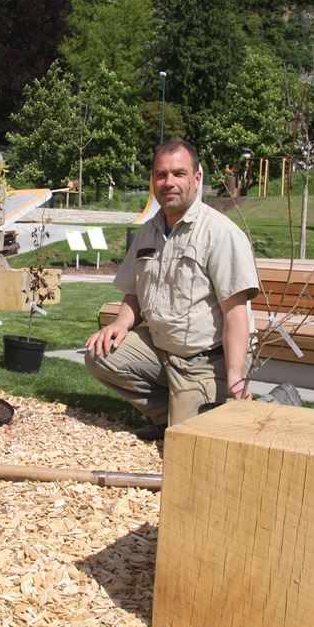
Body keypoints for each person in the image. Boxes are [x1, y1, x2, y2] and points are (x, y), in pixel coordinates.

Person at [85, 139, 260, 440]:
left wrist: (235, 377)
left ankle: (267, 404)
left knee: (188, 445)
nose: (169, 182)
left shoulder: (220, 233)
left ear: (197, 178)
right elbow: (134, 293)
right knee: (100, 354)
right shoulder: (148, 231)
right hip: (161, 349)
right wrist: (120, 323)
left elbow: (235, 313)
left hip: (205, 359)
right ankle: (166, 414)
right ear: (153, 180)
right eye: (160, 175)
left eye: (178, 174)